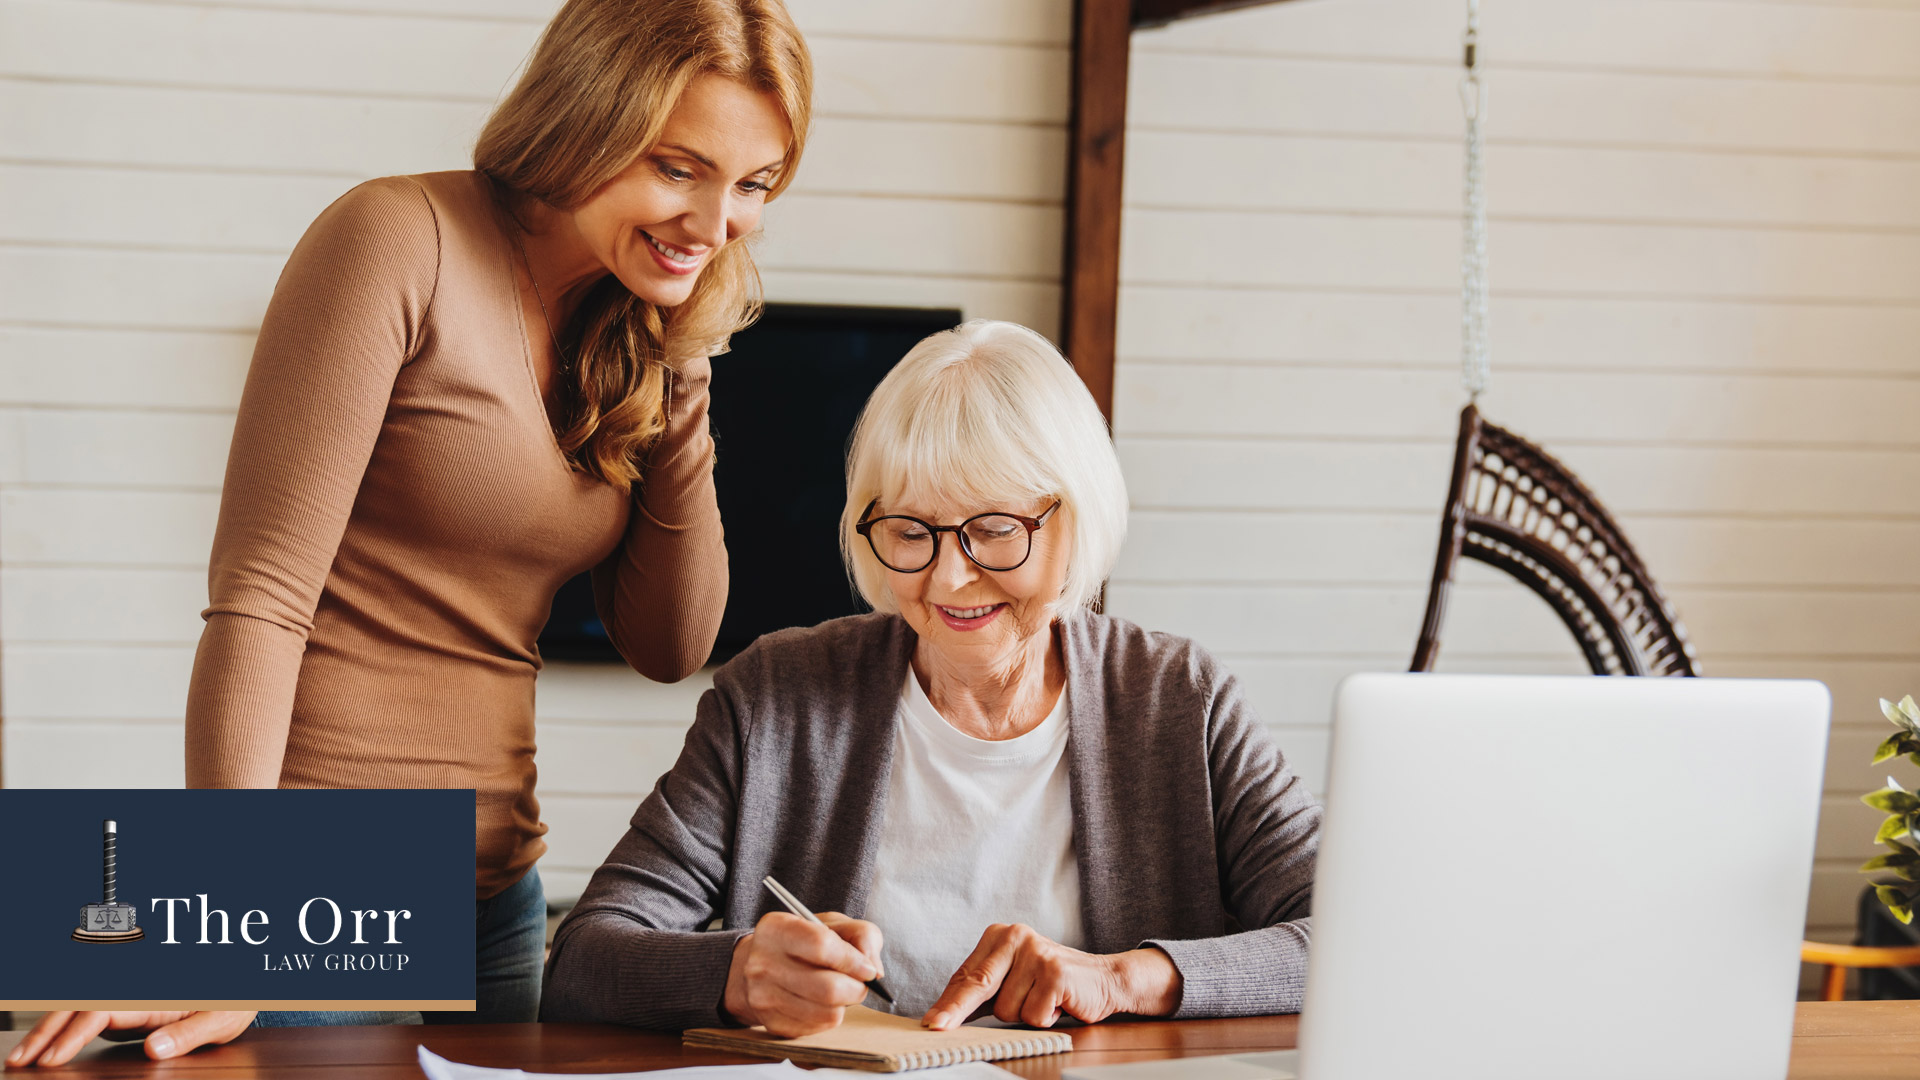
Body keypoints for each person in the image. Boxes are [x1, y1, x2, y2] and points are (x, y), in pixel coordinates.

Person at [6, 0, 812, 1068]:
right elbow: (260, 596)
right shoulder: (398, 238)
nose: (717, 225)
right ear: (587, 119)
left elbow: (669, 645)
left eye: (754, 185)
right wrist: (223, 926)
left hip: (496, 884)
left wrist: (684, 377)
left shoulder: (630, 325)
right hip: (305, 885)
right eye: (680, 168)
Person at [540, 320, 1319, 1035]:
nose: (949, 579)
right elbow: (582, 961)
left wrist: (1124, 979)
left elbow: (1347, 934)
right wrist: (736, 972)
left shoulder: (1178, 699)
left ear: (1074, 520)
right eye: (910, 531)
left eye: (992, 530)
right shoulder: (775, 698)